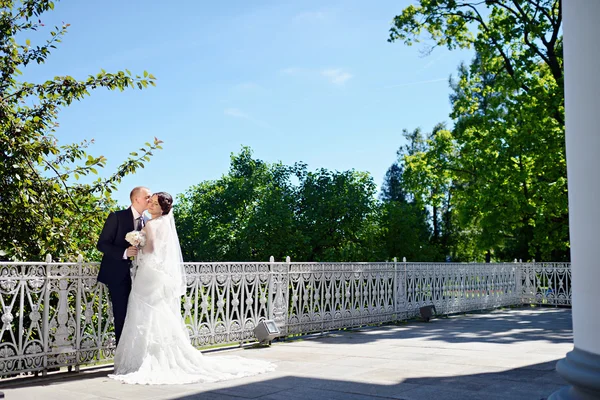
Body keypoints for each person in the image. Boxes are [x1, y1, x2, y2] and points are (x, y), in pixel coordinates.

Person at [110, 192, 275, 385]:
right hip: (158, 274)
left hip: (148, 273)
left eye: (155, 204)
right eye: (151, 203)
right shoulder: (165, 223)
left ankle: (142, 359)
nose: (152, 206)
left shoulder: (151, 224)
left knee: (144, 312)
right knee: (157, 312)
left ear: (163, 208)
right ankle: (157, 355)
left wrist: (138, 244)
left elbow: (151, 250)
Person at [97, 186, 151, 345]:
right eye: (147, 197)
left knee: (141, 315)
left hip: (142, 276)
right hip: (117, 275)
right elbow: (102, 244)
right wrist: (124, 253)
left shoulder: (149, 222)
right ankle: (121, 356)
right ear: (136, 199)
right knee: (121, 315)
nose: (150, 199)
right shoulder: (117, 217)